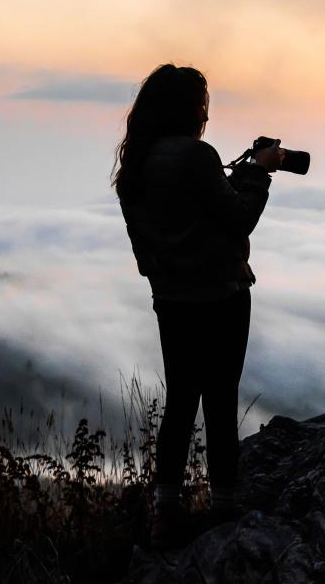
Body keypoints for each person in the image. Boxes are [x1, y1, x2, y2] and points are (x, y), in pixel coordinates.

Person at [111, 64, 282, 549]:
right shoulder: (198, 155)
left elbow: (146, 241)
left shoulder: (136, 164)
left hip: (170, 298)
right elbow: (238, 220)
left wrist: (165, 276)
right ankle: (223, 509)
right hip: (221, 296)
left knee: (181, 402)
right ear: (192, 109)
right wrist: (259, 175)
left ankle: (166, 514)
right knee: (220, 399)